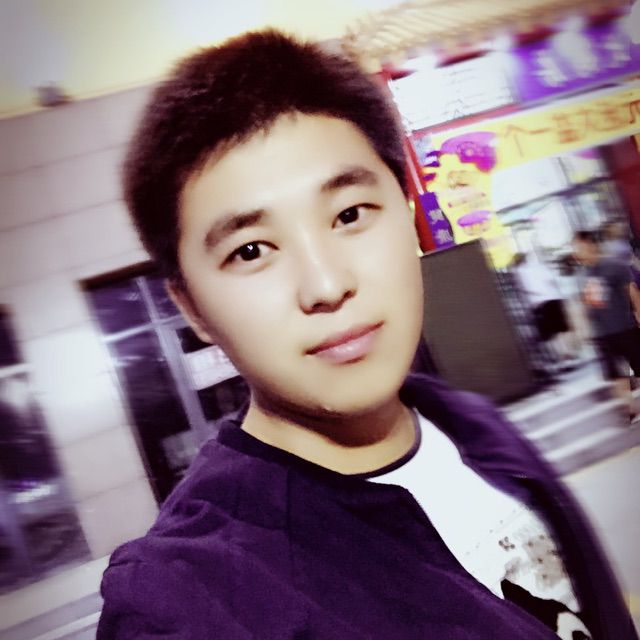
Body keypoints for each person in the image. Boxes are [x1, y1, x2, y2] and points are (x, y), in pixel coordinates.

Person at [97, 31, 636, 639]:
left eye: (349, 215)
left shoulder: (469, 423)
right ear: (192, 307)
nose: (327, 285)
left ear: (406, 213)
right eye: (251, 250)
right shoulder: (196, 597)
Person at [573, 230, 640, 422]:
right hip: (602, 334)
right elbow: (585, 304)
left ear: (591, 245)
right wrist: (583, 328)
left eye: (578, 246)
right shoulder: (582, 275)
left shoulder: (615, 266)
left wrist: (639, 315)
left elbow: (633, 292)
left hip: (625, 327)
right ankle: (630, 409)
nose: (576, 251)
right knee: (616, 374)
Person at [511, 252, 577, 366]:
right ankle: (568, 353)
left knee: (548, 333)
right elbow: (551, 280)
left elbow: (522, 290)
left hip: (539, 303)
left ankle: (560, 357)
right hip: (554, 298)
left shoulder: (518, 273)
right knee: (561, 329)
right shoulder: (538, 267)